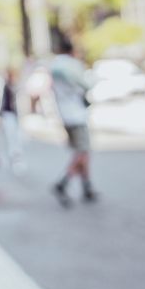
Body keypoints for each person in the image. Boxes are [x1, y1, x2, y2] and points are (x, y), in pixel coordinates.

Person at [50, 37, 97, 206]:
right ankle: (63, 181)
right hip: (77, 114)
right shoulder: (72, 64)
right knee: (82, 150)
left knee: (82, 151)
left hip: (64, 114)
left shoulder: (53, 65)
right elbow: (86, 85)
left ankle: (87, 187)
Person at [0, 68, 26, 174]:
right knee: (11, 139)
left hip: (14, 115)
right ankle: (14, 159)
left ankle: (17, 159)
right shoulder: (7, 86)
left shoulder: (14, 86)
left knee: (16, 139)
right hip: (8, 115)